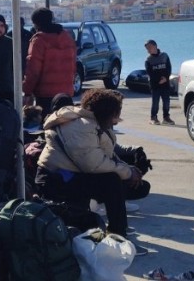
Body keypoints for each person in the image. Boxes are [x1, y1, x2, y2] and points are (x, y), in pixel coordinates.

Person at [34, 89, 148, 255]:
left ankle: (115, 231)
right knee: (112, 183)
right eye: (115, 115)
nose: (116, 121)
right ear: (106, 112)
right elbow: (94, 165)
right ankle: (119, 239)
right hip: (54, 180)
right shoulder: (81, 127)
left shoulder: (91, 123)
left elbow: (106, 156)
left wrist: (129, 169)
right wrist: (128, 173)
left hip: (69, 176)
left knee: (128, 184)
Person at [23, 8, 76, 118]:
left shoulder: (39, 40)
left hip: (45, 94)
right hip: (66, 91)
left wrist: (27, 92)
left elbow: (33, 70)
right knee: (65, 126)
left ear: (36, 23)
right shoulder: (67, 37)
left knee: (47, 127)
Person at [144, 39, 174, 125]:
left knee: (166, 102)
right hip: (155, 84)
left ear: (155, 46)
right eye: (147, 49)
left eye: (149, 47)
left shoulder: (165, 56)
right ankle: (153, 118)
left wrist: (165, 78)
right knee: (155, 102)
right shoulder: (148, 60)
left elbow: (169, 68)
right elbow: (150, 73)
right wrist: (158, 80)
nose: (148, 50)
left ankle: (166, 117)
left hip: (165, 83)